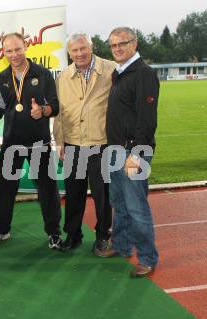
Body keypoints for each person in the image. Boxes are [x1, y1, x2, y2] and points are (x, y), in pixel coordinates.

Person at [0, 33, 63, 250]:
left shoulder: (43, 74)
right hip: (11, 143)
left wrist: (44, 110)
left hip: (38, 143)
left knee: (47, 190)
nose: (14, 55)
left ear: (26, 47)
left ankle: (54, 233)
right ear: (4, 52)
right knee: (5, 190)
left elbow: (55, 106)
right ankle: (1, 230)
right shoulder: (2, 78)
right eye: (9, 51)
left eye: (17, 49)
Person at [95, 27, 160, 278]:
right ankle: (121, 246)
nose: (118, 48)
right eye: (113, 45)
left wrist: (136, 151)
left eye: (123, 43)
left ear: (135, 43)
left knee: (136, 207)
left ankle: (147, 258)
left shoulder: (143, 73)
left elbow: (147, 117)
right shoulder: (119, 73)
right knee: (119, 204)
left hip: (133, 151)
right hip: (115, 149)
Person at [53, 33, 116, 253]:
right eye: (74, 50)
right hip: (72, 144)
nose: (79, 54)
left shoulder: (111, 70)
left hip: (101, 143)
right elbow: (59, 113)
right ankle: (73, 234)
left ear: (92, 47)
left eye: (83, 48)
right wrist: (59, 141)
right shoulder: (62, 77)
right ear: (69, 53)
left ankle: (103, 236)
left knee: (103, 195)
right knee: (73, 194)